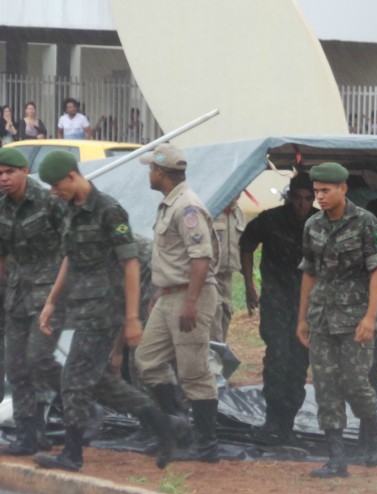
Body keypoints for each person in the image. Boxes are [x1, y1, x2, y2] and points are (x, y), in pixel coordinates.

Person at [34, 150, 186, 472]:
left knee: (75, 378)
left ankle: (72, 454)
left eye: (57, 184)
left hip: (106, 309)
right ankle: (163, 422)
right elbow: (69, 258)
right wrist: (51, 301)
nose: (53, 192)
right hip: (82, 305)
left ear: (73, 176)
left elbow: (130, 263)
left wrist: (132, 318)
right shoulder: (68, 210)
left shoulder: (108, 211)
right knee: (97, 381)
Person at [297, 162, 377, 478]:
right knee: (325, 386)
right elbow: (309, 273)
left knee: (355, 383)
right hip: (321, 316)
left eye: (326, 191)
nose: (319, 196)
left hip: (354, 318)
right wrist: (302, 319)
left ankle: (375, 428)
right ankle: (337, 459)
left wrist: (370, 317)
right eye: (316, 191)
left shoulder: (366, 223)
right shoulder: (312, 225)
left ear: (343, 189)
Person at [134, 143, 222, 464]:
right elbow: (177, 257)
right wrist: (162, 291)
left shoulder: (187, 208)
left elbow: (201, 259)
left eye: (151, 169)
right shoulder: (170, 204)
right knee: (147, 360)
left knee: (194, 372)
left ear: (161, 172)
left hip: (190, 295)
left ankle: (207, 443)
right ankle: (177, 424)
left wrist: (192, 302)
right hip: (171, 294)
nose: (149, 174)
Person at [240, 173, 317, 443]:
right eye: (297, 199)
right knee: (276, 359)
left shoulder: (319, 222)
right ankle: (272, 420)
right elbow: (246, 244)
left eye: (308, 199)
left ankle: (287, 424)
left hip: (307, 306)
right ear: (289, 197)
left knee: (298, 363)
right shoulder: (271, 219)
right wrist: (249, 284)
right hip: (276, 301)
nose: (302, 205)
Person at [0, 147, 65, 455]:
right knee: (16, 367)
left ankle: (80, 407)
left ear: (24, 171)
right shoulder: (2, 207)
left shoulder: (50, 202)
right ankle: (29, 435)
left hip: (47, 295)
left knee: (38, 361)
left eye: (9, 172)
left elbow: (71, 248)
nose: (3, 178)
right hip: (15, 296)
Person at [210, 196, 245, 344]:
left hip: (227, 276)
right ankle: (214, 359)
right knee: (214, 316)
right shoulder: (212, 211)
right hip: (210, 276)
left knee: (226, 313)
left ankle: (220, 355)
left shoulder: (239, 213)